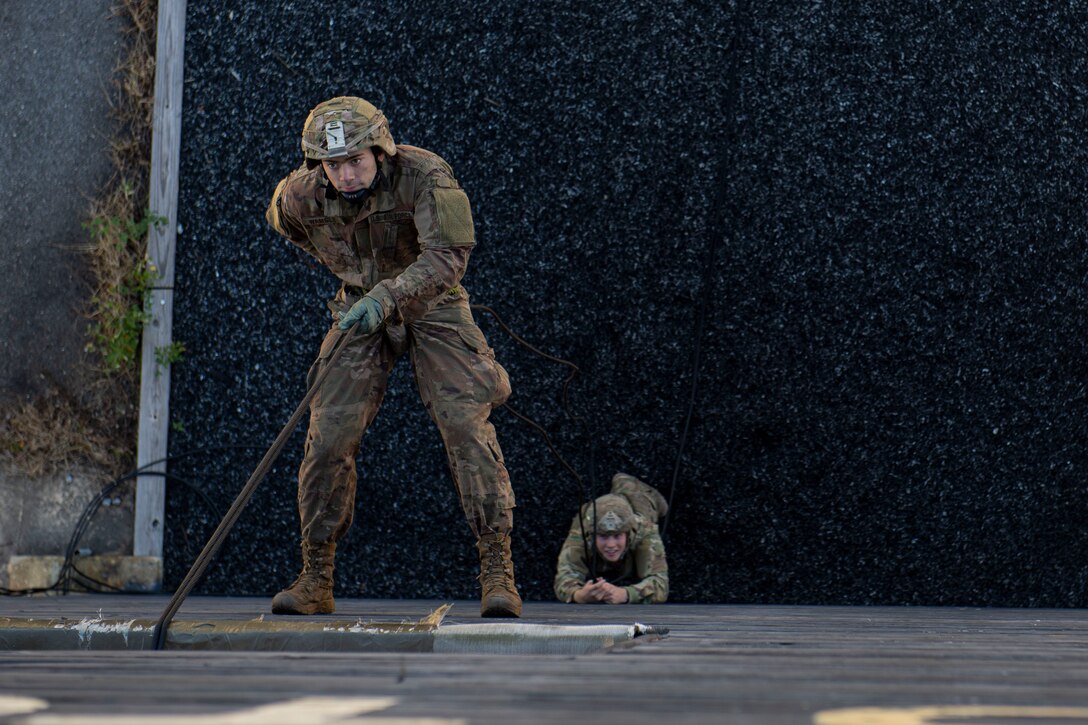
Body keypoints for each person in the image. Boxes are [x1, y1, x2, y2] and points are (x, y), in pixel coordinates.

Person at [264, 96, 520, 618]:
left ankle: (498, 568)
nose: (347, 173)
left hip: (433, 306)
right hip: (360, 310)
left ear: (380, 150)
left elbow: (449, 257)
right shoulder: (300, 194)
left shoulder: (426, 175)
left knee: (464, 423)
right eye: (334, 165)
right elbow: (288, 226)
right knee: (327, 434)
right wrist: (355, 282)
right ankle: (316, 575)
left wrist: (389, 294)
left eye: (356, 160)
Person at [554, 473, 669, 604]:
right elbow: (564, 576)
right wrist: (579, 595)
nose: (611, 545)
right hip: (595, 514)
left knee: (643, 498)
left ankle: (623, 480)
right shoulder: (582, 530)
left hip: (640, 502)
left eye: (617, 536)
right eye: (603, 536)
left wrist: (625, 594)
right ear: (593, 534)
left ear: (628, 533)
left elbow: (661, 584)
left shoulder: (644, 529)